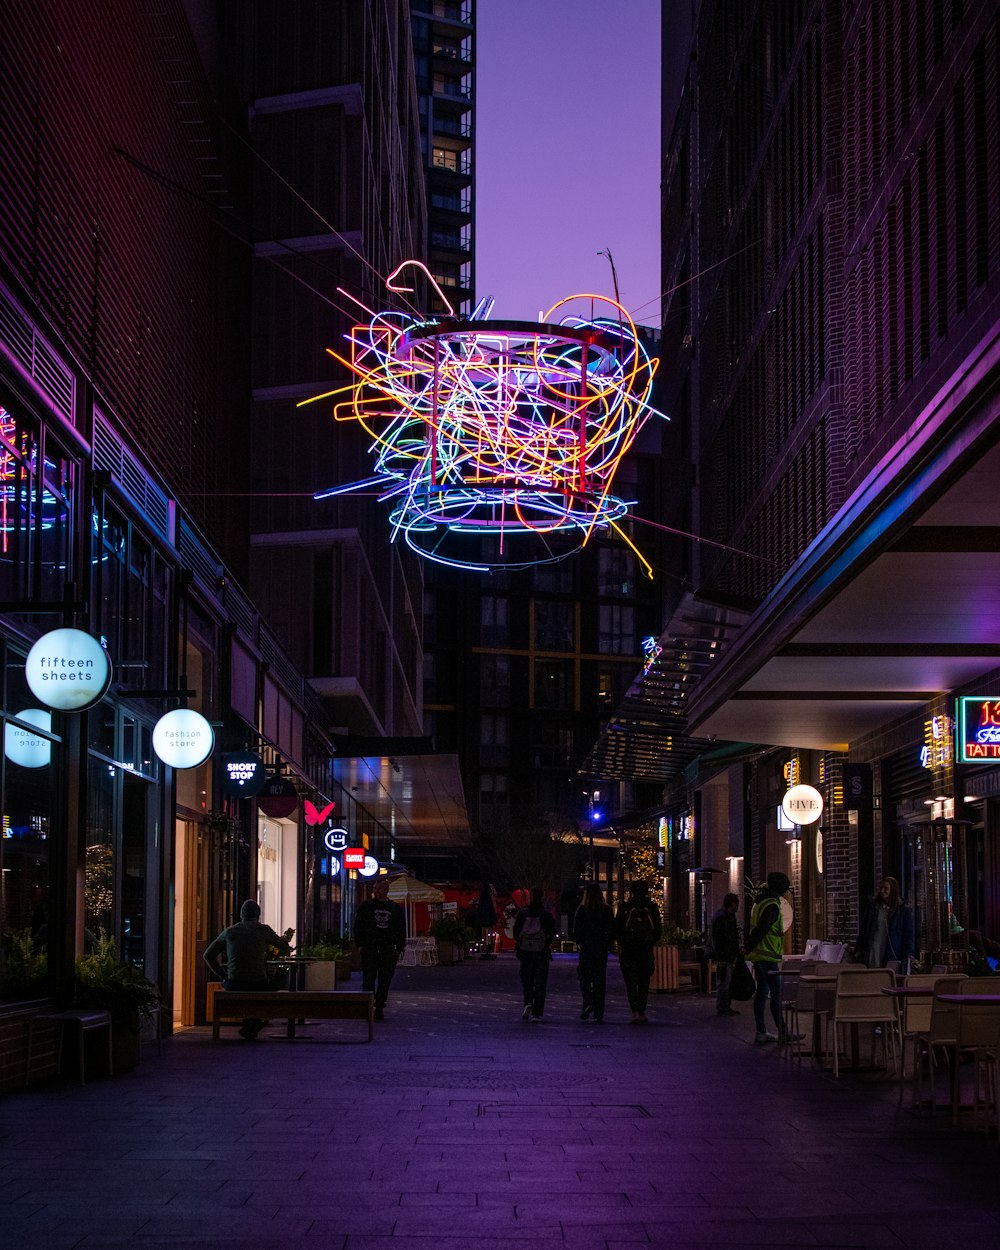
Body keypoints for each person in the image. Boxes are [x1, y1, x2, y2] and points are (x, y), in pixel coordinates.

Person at [204, 898, 291, 1041]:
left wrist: (224, 976)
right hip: (258, 983)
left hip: (234, 983)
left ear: (241, 915)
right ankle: (256, 1021)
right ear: (258, 915)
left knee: (253, 984)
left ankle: (251, 1023)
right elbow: (284, 946)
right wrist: (273, 966)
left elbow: (208, 955)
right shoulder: (263, 930)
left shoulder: (230, 932)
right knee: (275, 985)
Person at [744, 872, 799, 1045]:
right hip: (767, 956)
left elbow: (756, 928)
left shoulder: (759, 903)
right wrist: (748, 946)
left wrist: (748, 947)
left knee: (761, 993)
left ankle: (761, 1031)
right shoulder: (773, 906)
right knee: (776, 993)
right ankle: (783, 1032)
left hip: (758, 956)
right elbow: (762, 929)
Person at [353, 877, 406, 1021]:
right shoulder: (366, 906)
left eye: (379, 889)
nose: (376, 891)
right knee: (368, 978)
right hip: (370, 948)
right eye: (375, 889)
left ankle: (380, 1006)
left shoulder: (395, 909)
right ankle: (367, 1005)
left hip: (388, 949)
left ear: (386, 890)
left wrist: (399, 948)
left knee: (385, 979)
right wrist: (360, 945)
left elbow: (401, 929)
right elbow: (358, 926)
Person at [615, 880, 662, 1024]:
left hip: (629, 951)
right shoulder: (652, 908)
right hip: (645, 951)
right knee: (644, 982)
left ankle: (634, 1011)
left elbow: (617, 930)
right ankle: (642, 1011)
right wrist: (649, 942)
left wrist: (624, 943)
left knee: (630, 983)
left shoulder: (625, 907)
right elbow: (658, 931)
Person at [572, 882, 615, 1022]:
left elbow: (576, 931)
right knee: (599, 980)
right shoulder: (607, 910)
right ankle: (598, 1012)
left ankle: (588, 1001)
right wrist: (607, 943)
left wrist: (580, 942)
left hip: (587, 948)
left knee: (584, 977)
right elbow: (611, 931)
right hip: (601, 949)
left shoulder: (582, 910)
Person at [513, 887, 557, 1021]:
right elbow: (552, 934)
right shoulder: (546, 915)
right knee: (540, 981)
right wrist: (546, 942)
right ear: (542, 897)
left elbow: (516, 933)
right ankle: (537, 1011)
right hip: (541, 952)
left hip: (525, 952)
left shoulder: (523, 914)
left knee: (527, 979)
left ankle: (528, 1002)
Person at [855, 875, 915, 970]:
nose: (882, 891)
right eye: (881, 888)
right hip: (874, 948)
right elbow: (864, 929)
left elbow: (908, 934)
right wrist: (859, 949)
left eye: (886, 888)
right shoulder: (873, 908)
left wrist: (909, 953)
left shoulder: (903, 911)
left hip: (892, 950)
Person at [710, 892, 742, 1017]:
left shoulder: (726, 916)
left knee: (725, 982)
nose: (738, 905)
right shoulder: (723, 917)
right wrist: (721, 956)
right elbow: (718, 939)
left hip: (728, 955)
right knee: (724, 982)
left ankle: (725, 1006)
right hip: (724, 956)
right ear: (732, 903)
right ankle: (723, 1007)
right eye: (737, 903)